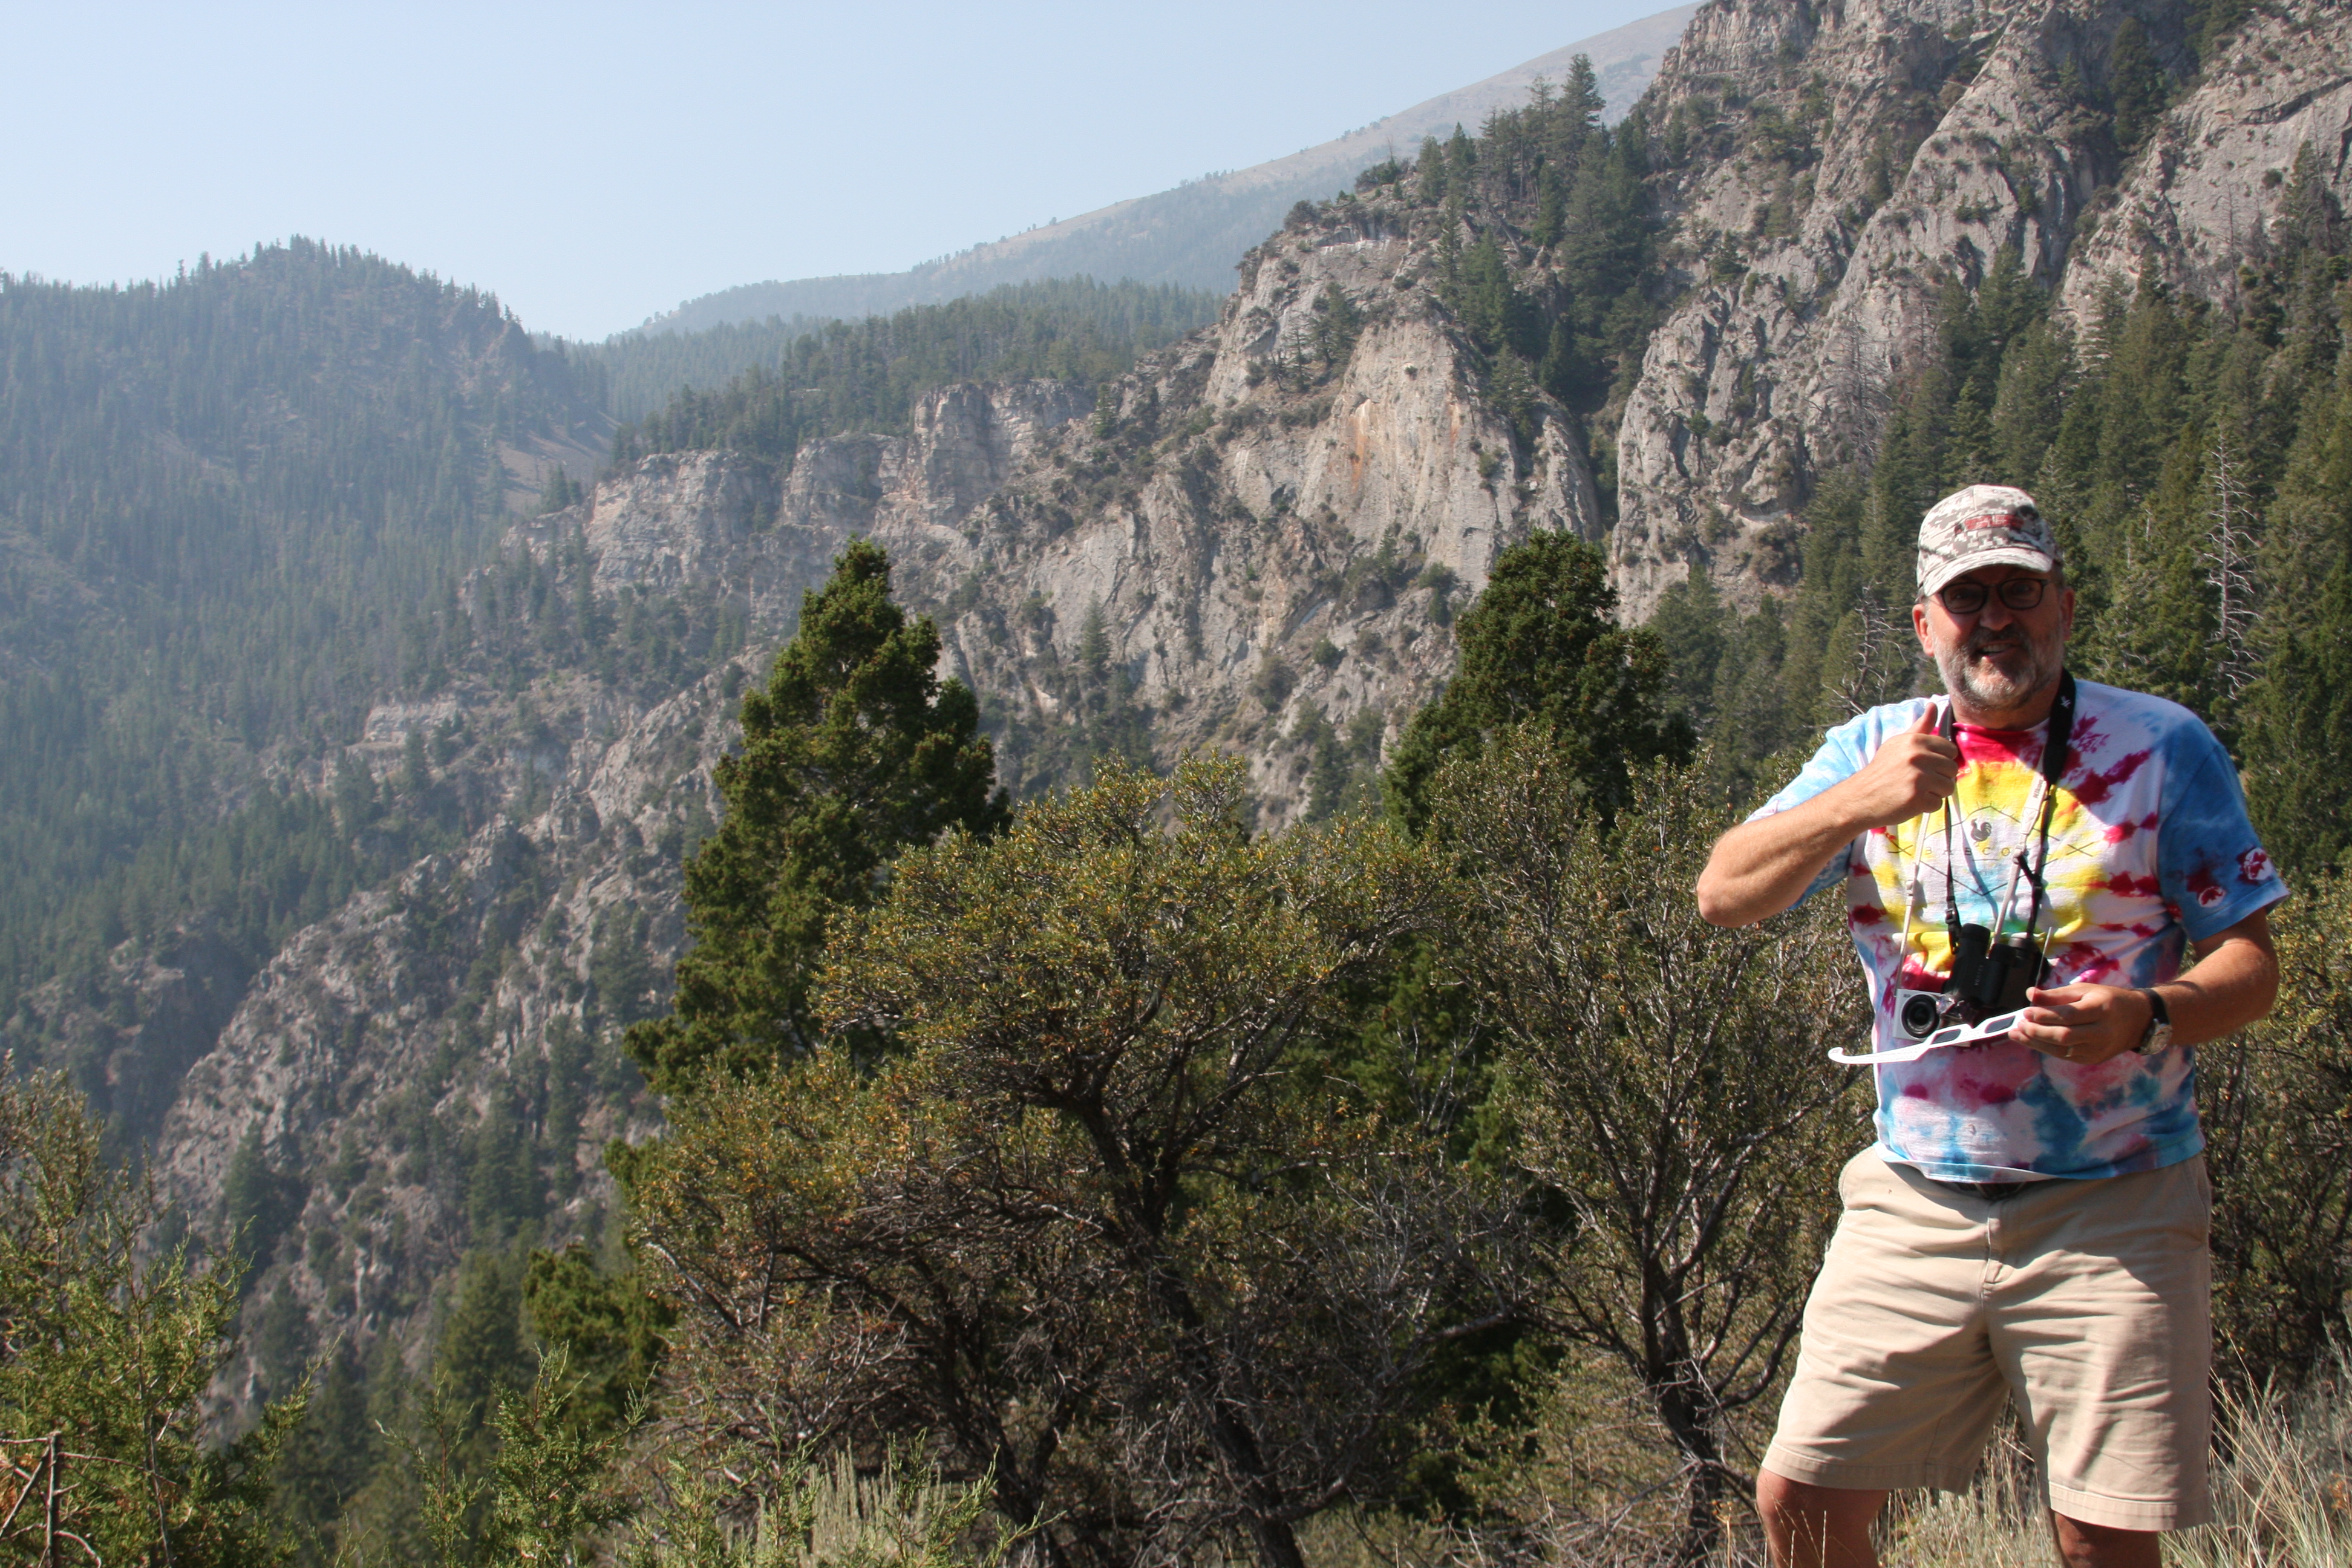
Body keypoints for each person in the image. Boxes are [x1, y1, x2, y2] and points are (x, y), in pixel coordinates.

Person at [1694, 485, 2285, 1568]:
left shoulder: (2161, 747)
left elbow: (2252, 966)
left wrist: (2146, 1017)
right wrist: (1857, 803)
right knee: (1803, 1500)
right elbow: (1723, 892)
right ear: (1926, 624)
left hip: (2116, 1200)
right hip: (1914, 1193)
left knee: (2100, 1537)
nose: (1996, 619)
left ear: (2065, 606)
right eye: (1968, 598)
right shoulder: (1875, 749)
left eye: (2020, 591)